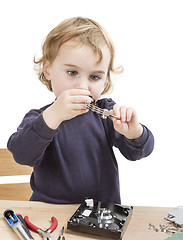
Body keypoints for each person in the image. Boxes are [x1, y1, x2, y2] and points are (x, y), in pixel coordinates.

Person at [7, 17, 154, 204]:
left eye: (94, 76)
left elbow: (138, 153)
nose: (83, 86)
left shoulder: (106, 113)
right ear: (48, 69)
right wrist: (53, 116)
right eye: (72, 72)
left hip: (100, 218)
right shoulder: (38, 119)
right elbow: (21, 155)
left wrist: (135, 132)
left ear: (105, 79)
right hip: (49, 216)